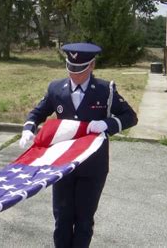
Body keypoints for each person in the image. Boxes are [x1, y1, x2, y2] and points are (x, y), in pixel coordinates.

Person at [19, 43, 138, 248]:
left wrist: (107, 124)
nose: (74, 74)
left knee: (84, 220)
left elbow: (130, 117)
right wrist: (28, 128)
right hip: (62, 164)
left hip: (93, 165)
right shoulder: (56, 88)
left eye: (80, 69)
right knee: (62, 218)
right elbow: (37, 113)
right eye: (70, 68)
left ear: (91, 65)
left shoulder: (104, 90)